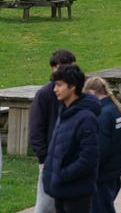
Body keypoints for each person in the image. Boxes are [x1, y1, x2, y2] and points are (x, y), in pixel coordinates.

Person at [42, 64, 100, 213]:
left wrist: (62, 175)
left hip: (76, 192)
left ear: (73, 86)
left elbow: (88, 159)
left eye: (59, 85)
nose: (55, 89)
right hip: (61, 189)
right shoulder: (65, 111)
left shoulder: (86, 118)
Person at [30, 49, 77, 213]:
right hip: (51, 161)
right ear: (54, 69)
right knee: (46, 206)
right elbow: (36, 129)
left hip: (74, 160)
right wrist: (43, 158)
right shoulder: (44, 95)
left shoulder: (79, 93)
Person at [83, 77, 121, 213]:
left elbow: (102, 149)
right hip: (115, 169)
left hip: (102, 175)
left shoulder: (102, 114)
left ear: (92, 93)